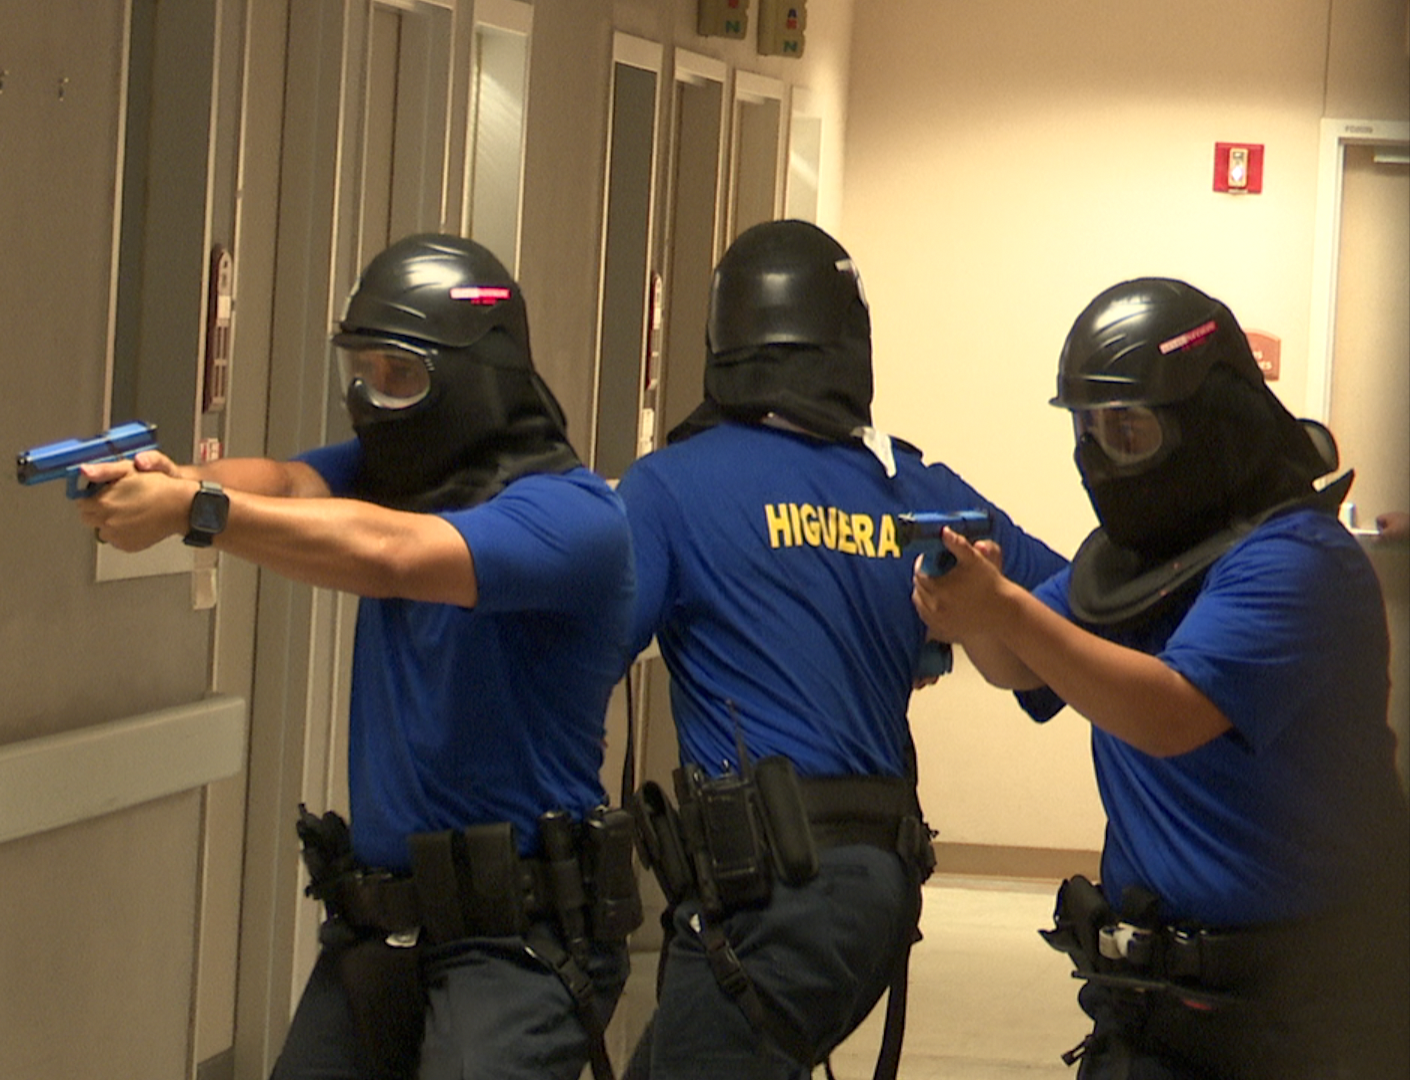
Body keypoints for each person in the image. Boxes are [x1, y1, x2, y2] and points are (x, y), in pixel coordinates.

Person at [78, 234, 640, 1080]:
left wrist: (196, 510)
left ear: (474, 374)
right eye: (366, 371)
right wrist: (171, 479)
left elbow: (395, 557)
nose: (376, 399)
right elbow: (293, 486)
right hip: (383, 926)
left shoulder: (573, 519)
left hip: (516, 945)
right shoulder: (394, 477)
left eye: (401, 376)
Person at [911, 277, 1410, 1079]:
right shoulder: (1135, 564)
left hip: (1308, 1017)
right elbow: (1020, 664)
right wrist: (971, 617)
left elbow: (1171, 715)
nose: (1103, 459)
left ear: (1207, 419)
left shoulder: (1294, 561)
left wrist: (1001, 609)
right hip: (1152, 1010)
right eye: (1088, 430)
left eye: (1129, 430)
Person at [616, 220, 1066, 1080]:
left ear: (723, 342)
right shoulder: (915, 487)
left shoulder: (669, 486)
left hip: (766, 892)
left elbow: (583, 662)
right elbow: (1082, 601)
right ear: (851, 345)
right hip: (869, 890)